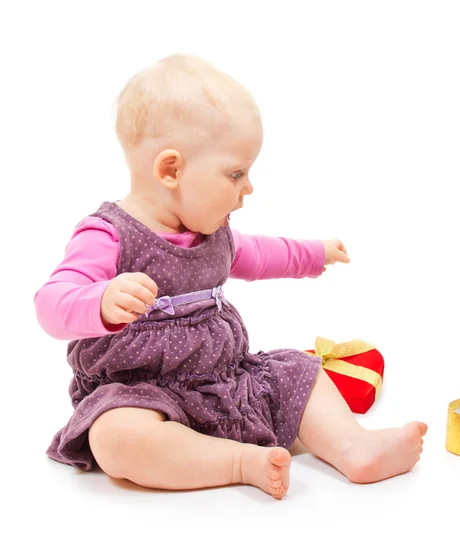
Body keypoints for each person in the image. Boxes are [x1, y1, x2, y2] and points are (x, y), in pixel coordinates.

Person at [34, 54, 427, 499]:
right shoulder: (109, 235)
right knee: (115, 437)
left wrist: (313, 254)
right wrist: (99, 302)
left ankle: (354, 447)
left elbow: (261, 254)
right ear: (171, 170)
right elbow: (51, 303)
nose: (248, 187)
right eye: (235, 173)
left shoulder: (213, 235)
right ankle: (240, 462)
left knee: (299, 372)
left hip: (225, 383)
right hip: (139, 395)